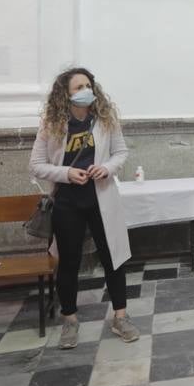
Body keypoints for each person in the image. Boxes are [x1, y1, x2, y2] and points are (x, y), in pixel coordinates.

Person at [29, 67, 138, 349]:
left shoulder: (104, 120)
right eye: (77, 87)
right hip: (68, 202)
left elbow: (121, 152)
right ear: (65, 94)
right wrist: (67, 173)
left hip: (100, 197)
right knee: (69, 262)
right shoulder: (52, 124)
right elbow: (36, 165)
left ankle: (121, 316)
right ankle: (70, 319)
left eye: (87, 85)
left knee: (113, 257)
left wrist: (106, 168)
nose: (84, 91)